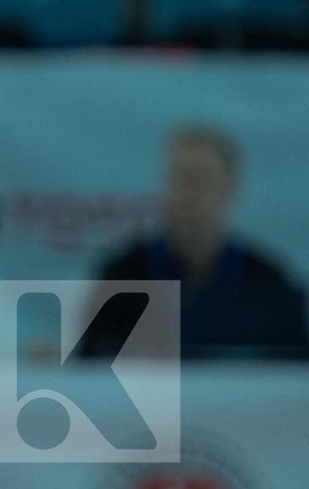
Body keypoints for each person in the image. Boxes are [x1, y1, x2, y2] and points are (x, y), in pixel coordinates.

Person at [85, 126, 309, 357]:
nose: (189, 193)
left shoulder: (266, 281)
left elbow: (292, 370)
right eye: (179, 179)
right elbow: (94, 365)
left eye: (202, 179)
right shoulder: (124, 275)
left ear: (230, 189)